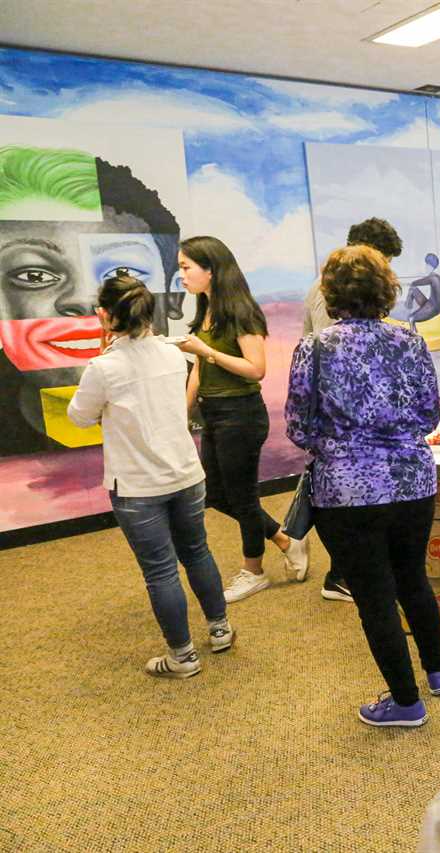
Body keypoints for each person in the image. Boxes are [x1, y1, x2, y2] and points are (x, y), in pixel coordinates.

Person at [285, 244, 440, 727]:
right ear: (386, 289)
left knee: (375, 596)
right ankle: (437, 670)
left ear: (331, 292)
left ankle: (405, 702)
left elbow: (298, 427)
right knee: (413, 577)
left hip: (345, 491)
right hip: (412, 480)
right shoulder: (411, 341)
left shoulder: (315, 347)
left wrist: (341, 443)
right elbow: (429, 415)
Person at [67, 273, 233, 679]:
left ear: (105, 315)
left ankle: (183, 657)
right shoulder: (172, 354)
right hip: (187, 475)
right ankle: (220, 630)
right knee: (197, 552)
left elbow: (78, 416)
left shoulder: (103, 368)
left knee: (160, 570)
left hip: (137, 487)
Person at [0, 144, 183, 457]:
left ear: (174, 295)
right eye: (33, 275)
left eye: (122, 271)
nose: (86, 299)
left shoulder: (185, 376)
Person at [176, 236, 308, 602]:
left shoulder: (242, 312)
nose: (181, 275)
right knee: (215, 494)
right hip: (214, 413)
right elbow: (199, 371)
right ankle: (285, 539)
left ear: (211, 270)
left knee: (243, 497)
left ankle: (253, 571)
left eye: (186, 267)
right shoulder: (204, 310)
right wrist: (182, 413)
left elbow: (256, 369)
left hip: (241, 415)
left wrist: (206, 351)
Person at [300, 217, 403, 603]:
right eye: (384, 260)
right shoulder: (334, 299)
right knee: (355, 508)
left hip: (349, 432)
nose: (387, 271)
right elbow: (341, 367)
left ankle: (350, 573)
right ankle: (343, 577)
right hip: (347, 431)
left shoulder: (330, 289)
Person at [303, 217, 403, 336]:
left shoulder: (340, 284)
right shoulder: (330, 287)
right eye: (382, 263)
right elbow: (328, 345)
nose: (385, 271)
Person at [393, 253, 440, 324]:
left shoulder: (433, 278)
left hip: (433, 308)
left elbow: (416, 282)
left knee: (411, 318)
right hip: (430, 303)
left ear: (433, 267)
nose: (426, 268)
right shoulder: (435, 276)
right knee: (413, 289)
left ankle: (408, 311)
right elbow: (415, 284)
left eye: (428, 266)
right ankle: (407, 307)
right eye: (426, 265)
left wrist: (405, 283)